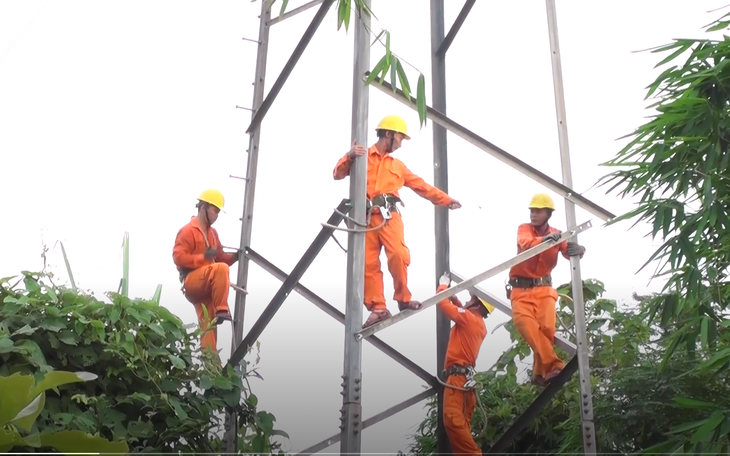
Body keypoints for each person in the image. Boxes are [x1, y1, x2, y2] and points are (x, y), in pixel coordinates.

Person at [333, 114, 462, 328]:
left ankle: (402, 298)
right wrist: (349, 155)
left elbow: (422, 187)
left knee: (399, 255)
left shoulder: (398, 166)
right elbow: (337, 173)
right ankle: (378, 308)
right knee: (368, 264)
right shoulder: (362, 156)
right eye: (400, 138)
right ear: (388, 134)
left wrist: (446, 200)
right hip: (365, 219)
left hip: (389, 216)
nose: (400, 144)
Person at [507, 193, 586, 387]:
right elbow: (524, 243)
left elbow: (569, 251)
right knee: (526, 326)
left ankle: (539, 374)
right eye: (532, 211)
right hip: (521, 290)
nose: (533, 214)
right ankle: (553, 366)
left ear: (548, 213)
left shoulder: (557, 234)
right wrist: (544, 240)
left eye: (538, 211)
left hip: (544, 289)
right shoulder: (524, 229)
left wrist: (580, 250)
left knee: (547, 330)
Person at [172, 188, 239, 354]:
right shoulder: (188, 230)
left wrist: (237, 256)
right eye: (215, 210)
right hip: (192, 281)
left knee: (208, 326)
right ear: (203, 208)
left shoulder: (213, 233)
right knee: (220, 269)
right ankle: (222, 309)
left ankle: (211, 367)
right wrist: (202, 257)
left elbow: (222, 258)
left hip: (207, 285)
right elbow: (178, 257)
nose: (216, 216)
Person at [436, 272, 494, 456]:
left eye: (471, 300)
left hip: (458, 380)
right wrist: (455, 299)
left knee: (452, 419)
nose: (467, 302)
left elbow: (442, 303)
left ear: (476, 305)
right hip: (465, 381)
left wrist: (443, 287)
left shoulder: (468, 318)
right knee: (462, 424)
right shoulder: (478, 324)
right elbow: (463, 313)